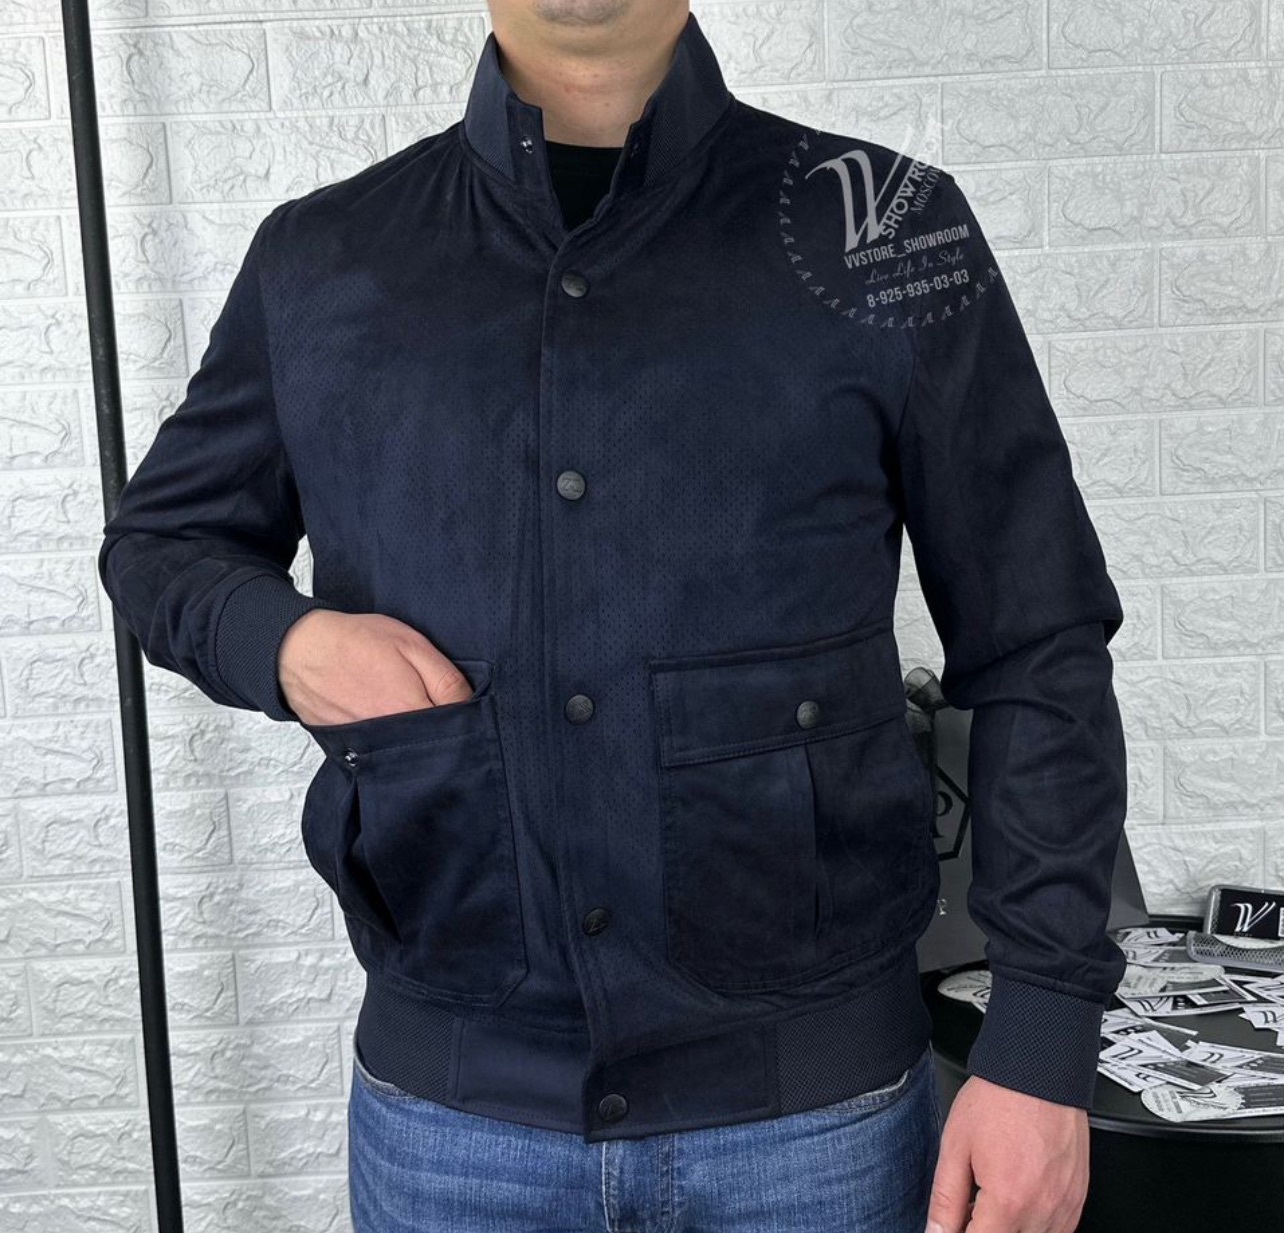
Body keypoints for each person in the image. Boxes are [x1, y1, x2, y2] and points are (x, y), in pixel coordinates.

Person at [97, 3, 1129, 1230]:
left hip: (819, 1126)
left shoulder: (883, 230)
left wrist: (1041, 1043)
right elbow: (162, 546)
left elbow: (1037, 635)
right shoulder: (321, 258)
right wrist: (285, 643)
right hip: (452, 1132)